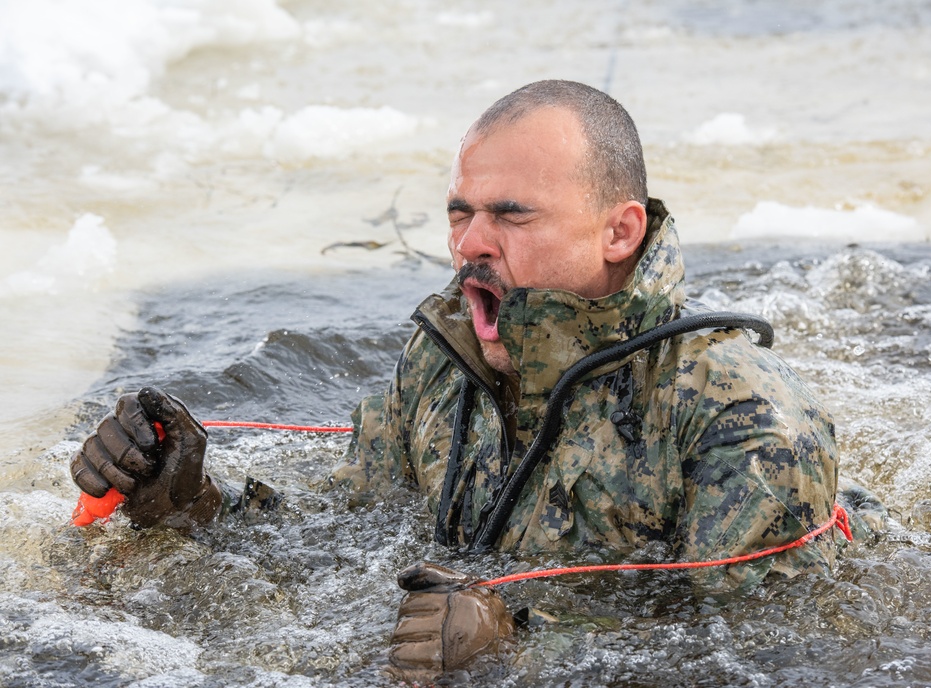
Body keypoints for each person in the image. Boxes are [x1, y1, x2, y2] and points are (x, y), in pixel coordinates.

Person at [70, 80, 868, 680]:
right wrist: (188, 503)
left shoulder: (744, 418)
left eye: (512, 215)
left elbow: (768, 650)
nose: (469, 244)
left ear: (619, 231)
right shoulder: (439, 360)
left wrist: (518, 642)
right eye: (461, 212)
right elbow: (343, 536)